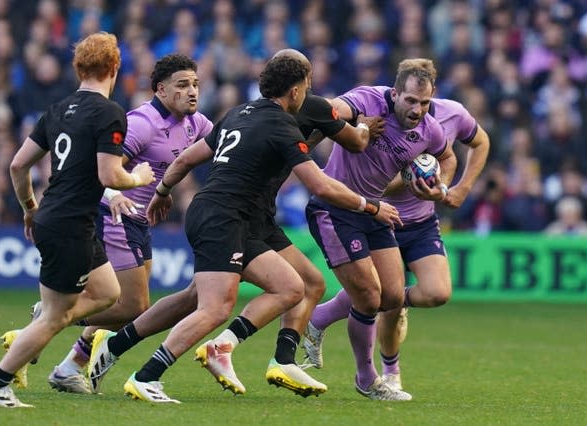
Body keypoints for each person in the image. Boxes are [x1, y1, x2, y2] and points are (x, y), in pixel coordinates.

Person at [89, 55, 401, 403]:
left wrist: (163, 192)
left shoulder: (239, 112)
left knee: (297, 285)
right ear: (297, 90)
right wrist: (371, 206)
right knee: (216, 307)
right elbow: (323, 186)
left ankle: (121, 344)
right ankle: (148, 376)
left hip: (239, 215)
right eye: (307, 85)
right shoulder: (286, 124)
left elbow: (186, 159)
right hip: (225, 218)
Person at [0, 32, 155, 408]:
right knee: (57, 318)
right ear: (114, 68)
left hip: (61, 217)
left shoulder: (56, 110)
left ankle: (36, 325)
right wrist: (140, 178)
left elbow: (18, 164)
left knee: (108, 293)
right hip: (70, 224)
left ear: (78, 68)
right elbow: (110, 175)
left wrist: (28, 207)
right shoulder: (109, 113)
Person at [303, 58, 490, 393]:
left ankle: (320, 320)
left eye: (425, 103)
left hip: (383, 213)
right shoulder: (369, 100)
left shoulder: (434, 126)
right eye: (411, 101)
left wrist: (443, 187)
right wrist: (354, 123)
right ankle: (368, 378)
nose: (418, 109)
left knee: (391, 297)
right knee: (370, 298)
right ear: (395, 94)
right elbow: (327, 109)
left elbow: (448, 156)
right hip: (340, 206)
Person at [37, 53, 209, 393]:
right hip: (115, 216)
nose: (192, 92)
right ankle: (50, 315)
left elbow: (221, 147)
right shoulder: (141, 123)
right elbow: (101, 171)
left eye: (195, 85)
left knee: (124, 309)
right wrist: (111, 195)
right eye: (183, 85)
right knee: (134, 306)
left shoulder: (196, 124)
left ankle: (69, 366)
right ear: (161, 89)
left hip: (141, 221)